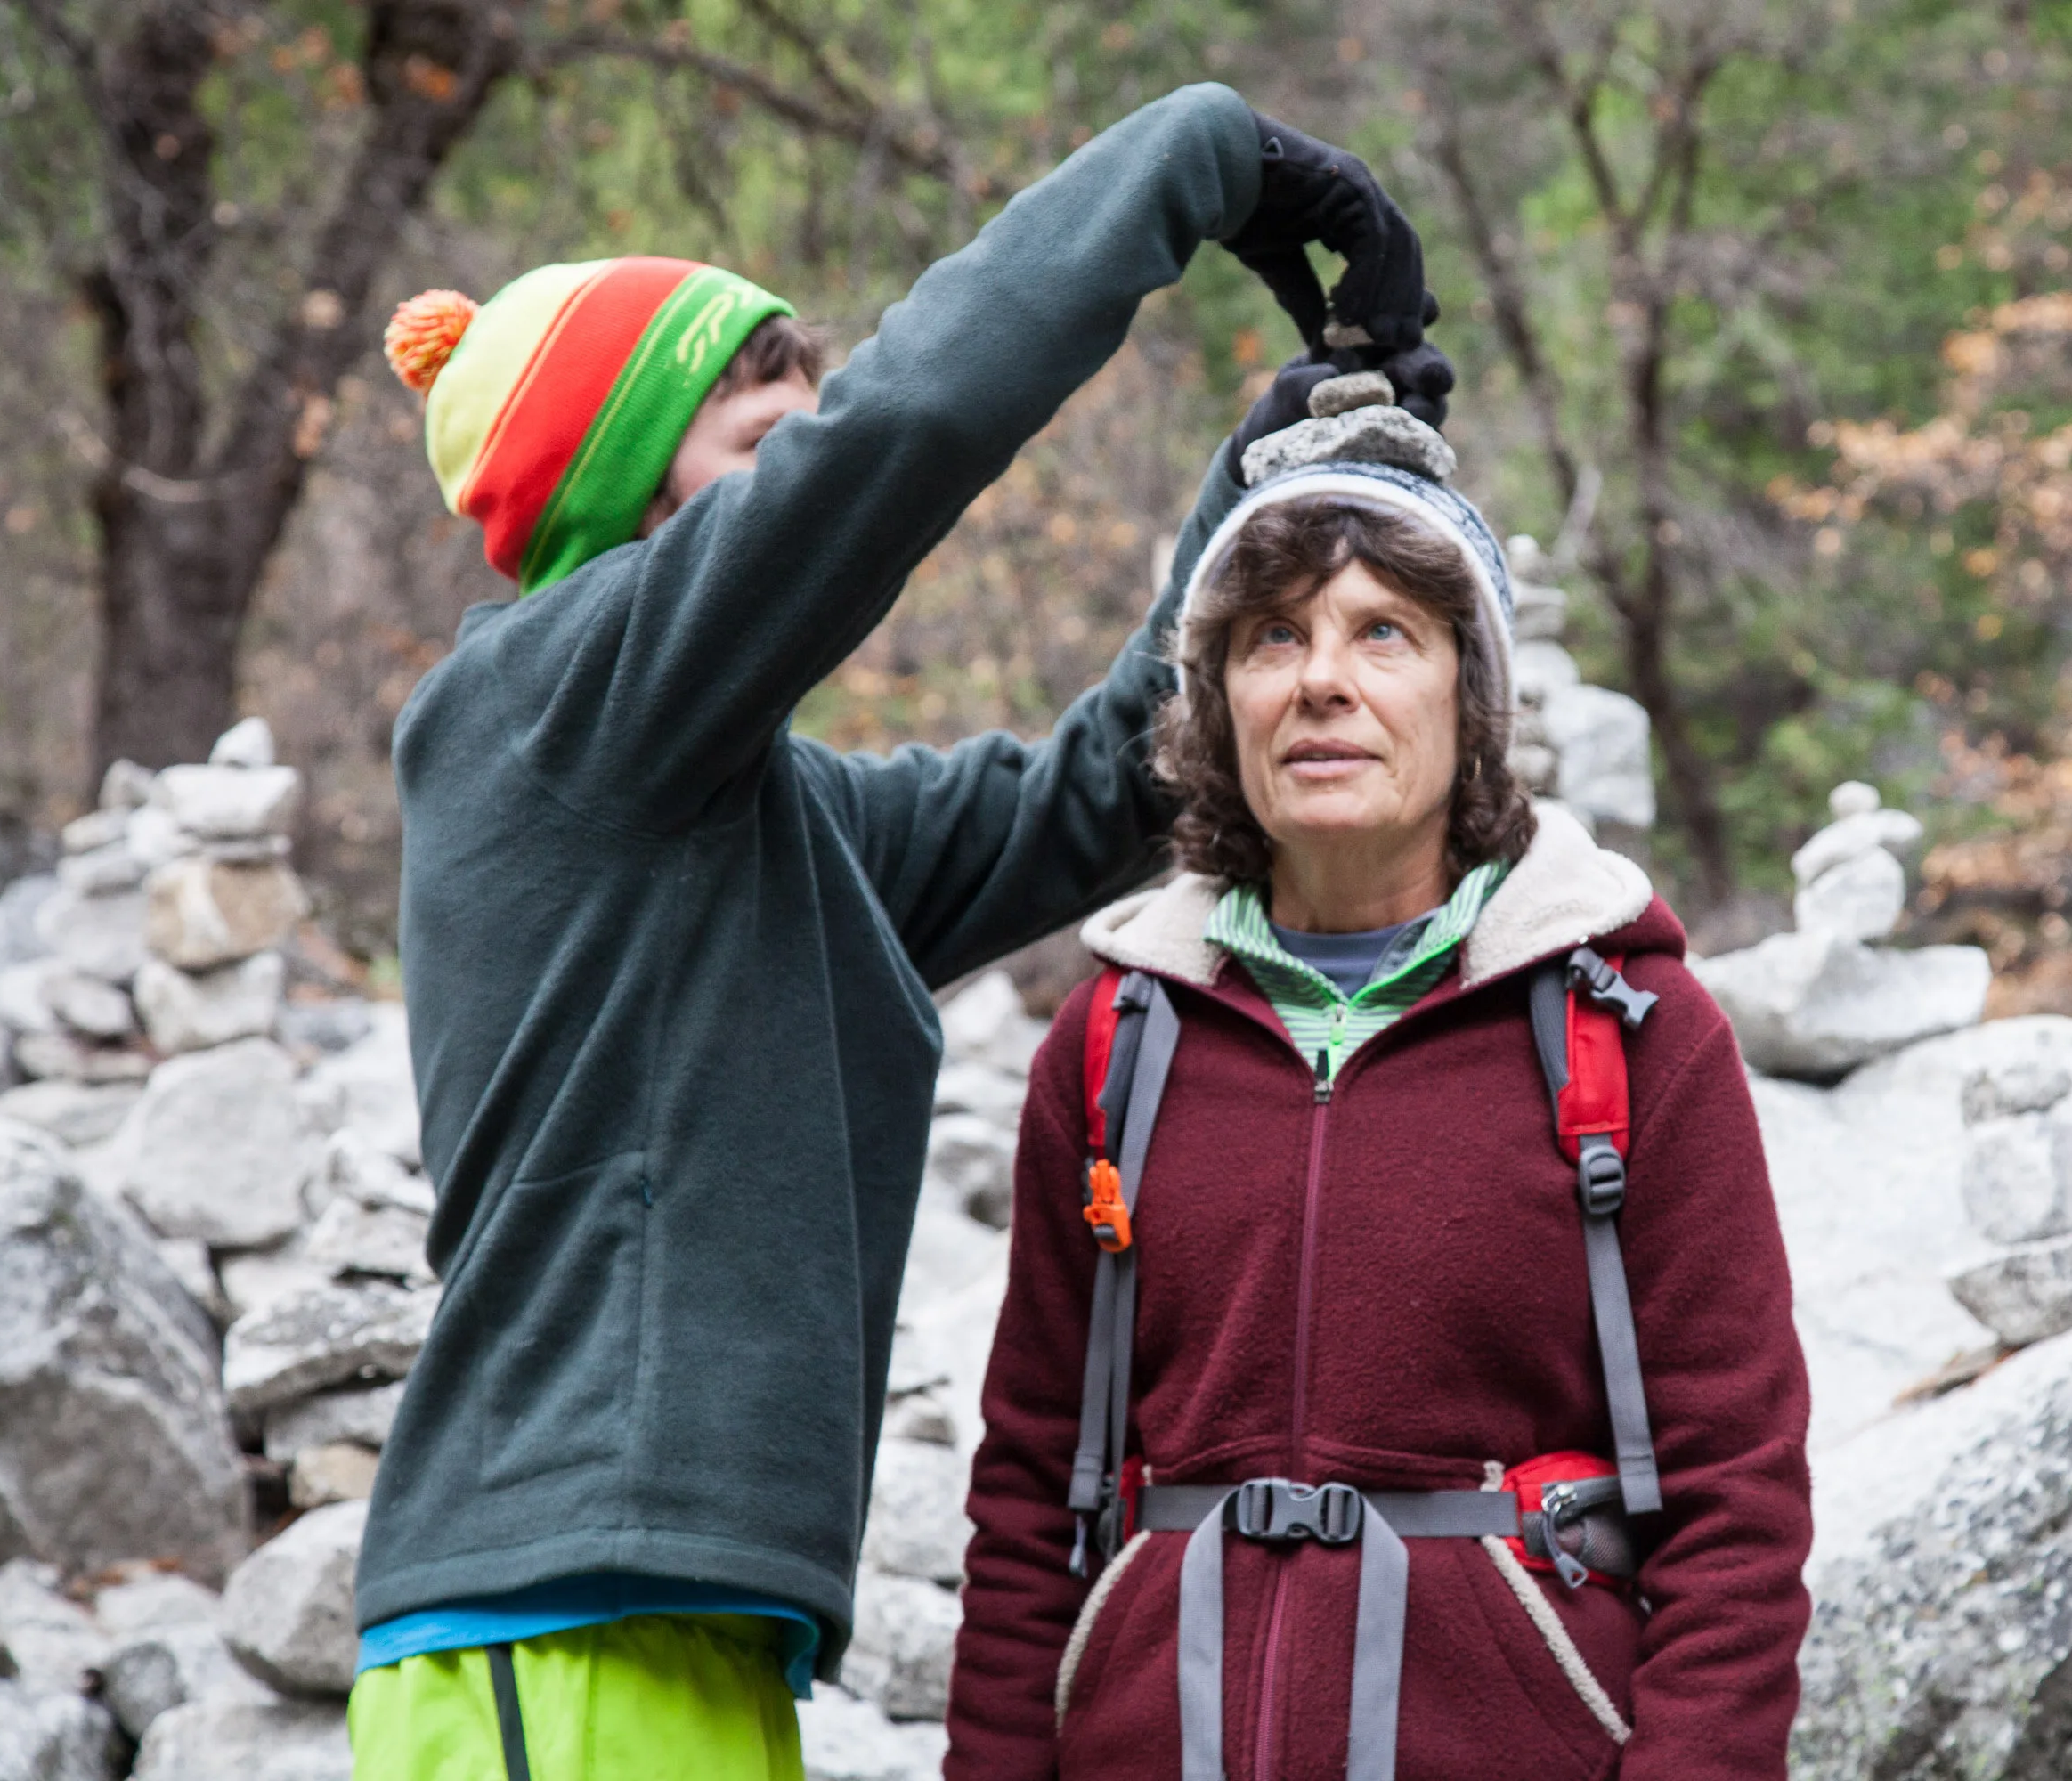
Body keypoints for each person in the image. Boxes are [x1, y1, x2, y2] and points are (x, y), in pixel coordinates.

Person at [347, 85, 1450, 1781]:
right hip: (548, 1632)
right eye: (762, 450)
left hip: (671, 1630)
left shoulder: (755, 817)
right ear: (627, 493)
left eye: (811, 423)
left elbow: (1105, 790)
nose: (807, 477)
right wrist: (1202, 157)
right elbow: (908, 426)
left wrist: (1274, 467)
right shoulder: (540, 707)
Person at [945, 405, 1814, 1779]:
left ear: (1472, 696)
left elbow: (1737, 1505)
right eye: (1272, 636)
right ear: (1217, 698)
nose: (1320, 681)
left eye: (1383, 632)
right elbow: (1025, 1495)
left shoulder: (1633, 1028)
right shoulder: (1115, 1035)